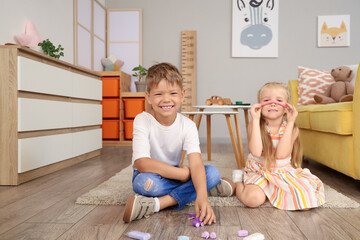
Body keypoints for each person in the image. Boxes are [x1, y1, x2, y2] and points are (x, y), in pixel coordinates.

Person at [123, 62, 235, 224]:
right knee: (146, 185)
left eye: (173, 93)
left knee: (212, 173)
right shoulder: (142, 120)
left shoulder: (187, 125)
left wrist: (202, 199)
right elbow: (142, 164)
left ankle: (158, 204)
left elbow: (196, 163)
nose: (166, 99)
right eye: (158, 94)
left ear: (182, 95)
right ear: (148, 97)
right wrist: (183, 175)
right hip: (151, 176)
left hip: (174, 175)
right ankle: (201, 189)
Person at [232, 82, 325, 210]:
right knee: (253, 200)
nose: (273, 103)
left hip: (282, 172)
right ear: (259, 104)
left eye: (279, 100)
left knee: (305, 202)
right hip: (259, 171)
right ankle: (237, 182)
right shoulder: (255, 125)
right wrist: (255, 119)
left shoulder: (291, 129)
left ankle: (269, 191)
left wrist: (291, 121)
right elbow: (256, 152)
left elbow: (281, 155)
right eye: (266, 100)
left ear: (286, 106)